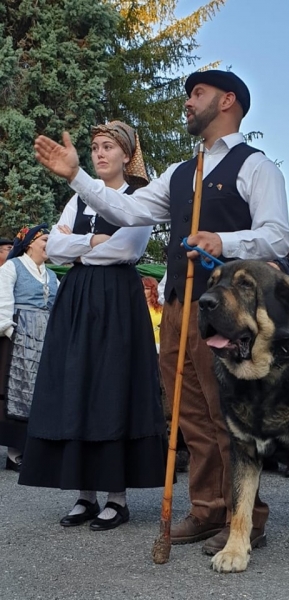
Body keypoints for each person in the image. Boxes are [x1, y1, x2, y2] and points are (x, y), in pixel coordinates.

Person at [33, 70, 289, 553]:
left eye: (198, 94)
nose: (188, 102)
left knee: (227, 413)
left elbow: (276, 235)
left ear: (228, 101)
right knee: (189, 415)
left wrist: (224, 240)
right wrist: (76, 175)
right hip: (177, 307)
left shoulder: (255, 167)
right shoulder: (179, 172)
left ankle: (245, 517)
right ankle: (208, 509)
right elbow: (126, 209)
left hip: (227, 314)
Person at [19, 121, 168, 532]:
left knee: (112, 387)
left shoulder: (138, 198)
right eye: (96, 147)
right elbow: (54, 248)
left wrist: (79, 246)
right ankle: (85, 494)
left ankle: (116, 498)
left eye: (109, 147)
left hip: (117, 299)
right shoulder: (78, 197)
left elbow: (128, 247)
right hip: (78, 299)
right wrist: (92, 244)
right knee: (77, 385)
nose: (100, 154)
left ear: (126, 155)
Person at [0, 224, 58, 471]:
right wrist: (12, 331)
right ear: (31, 242)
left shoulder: (52, 275)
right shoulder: (12, 267)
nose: (49, 243)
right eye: (46, 239)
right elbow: (2, 301)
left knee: (41, 393)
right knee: (18, 392)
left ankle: (35, 450)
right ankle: (14, 454)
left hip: (46, 338)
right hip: (18, 337)